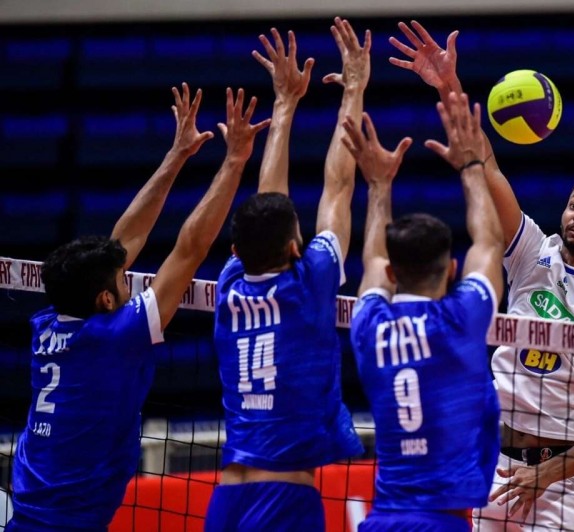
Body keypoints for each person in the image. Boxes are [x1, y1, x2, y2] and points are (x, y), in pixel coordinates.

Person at [389, 21, 574, 531]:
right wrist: (448, 87)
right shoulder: (535, 256)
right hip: (496, 470)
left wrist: (547, 474)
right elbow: (488, 170)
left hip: (568, 483)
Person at [8, 84, 270, 531]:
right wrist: (235, 161)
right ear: (105, 300)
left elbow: (119, 246)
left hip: (31, 515)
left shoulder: (47, 324)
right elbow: (188, 250)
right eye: (122, 279)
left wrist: (177, 155)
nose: (129, 276)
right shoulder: (113, 337)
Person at [204, 19, 368, 531]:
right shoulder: (309, 282)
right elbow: (338, 187)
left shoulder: (229, 286)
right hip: (284, 501)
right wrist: (354, 92)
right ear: (296, 246)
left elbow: (267, 201)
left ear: (236, 249)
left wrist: (284, 105)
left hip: (225, 498)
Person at [347, 92, 505, 531]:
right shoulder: (460, 319)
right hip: (442, 521)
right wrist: (471, 165)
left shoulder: (367, 326)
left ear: (393, 272)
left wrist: (378, 186)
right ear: (453, 269)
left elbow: (372, 264)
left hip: (382, 519)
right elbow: (490, 243)